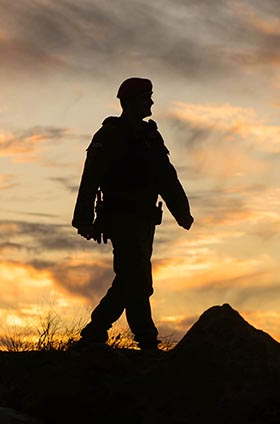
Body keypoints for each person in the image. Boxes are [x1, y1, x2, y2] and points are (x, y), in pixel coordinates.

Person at [72, 78, 194, 351]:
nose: (150, 102)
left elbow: (166, 176)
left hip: (144, 220)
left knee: (130, 276)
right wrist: (83, 219)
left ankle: (96, 330)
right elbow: (90, 178)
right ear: (129, 101)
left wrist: (181, 211)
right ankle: (146, 338)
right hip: (119, 218)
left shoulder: (151, 136)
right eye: (145, 97)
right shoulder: (109, 134)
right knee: (138, 277)